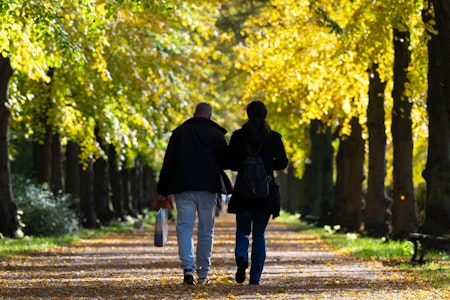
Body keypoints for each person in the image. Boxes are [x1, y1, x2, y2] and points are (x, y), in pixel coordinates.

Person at [157, 102, 231, 285]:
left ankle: (188, 268)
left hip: (184, 186)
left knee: (184, 228)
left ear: (194, 113)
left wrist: (162, 190)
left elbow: (169, 162)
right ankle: (203, 272)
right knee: (206, 231)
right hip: (208, 187)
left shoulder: (180, 132)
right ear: (210, 116)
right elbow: (226, 162)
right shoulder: (216, 134)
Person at [227, 100, 288, 285]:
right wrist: (268, 166)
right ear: (265, 115)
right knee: (259, 234)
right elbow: (283, 163)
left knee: (243, 230)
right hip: (265, 193)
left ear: (248, 114)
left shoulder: (237, 136)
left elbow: (231, 162)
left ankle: (241, 257)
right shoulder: (274, 137)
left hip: (244, 193)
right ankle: (255, 277)